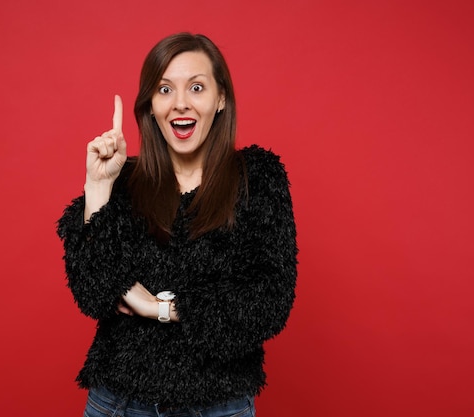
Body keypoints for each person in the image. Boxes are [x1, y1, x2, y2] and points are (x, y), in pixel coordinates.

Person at [57, 33, 297, 417]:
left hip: (220, 405)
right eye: (165, 89)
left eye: (196, 87)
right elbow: (92, 291)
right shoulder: (123, 180)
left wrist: (159, 309)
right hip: (118, 403)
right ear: (151, 105)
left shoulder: (257, 179)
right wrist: (98, 185)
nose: (180, 103)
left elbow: (268, 300)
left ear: (221, 99)